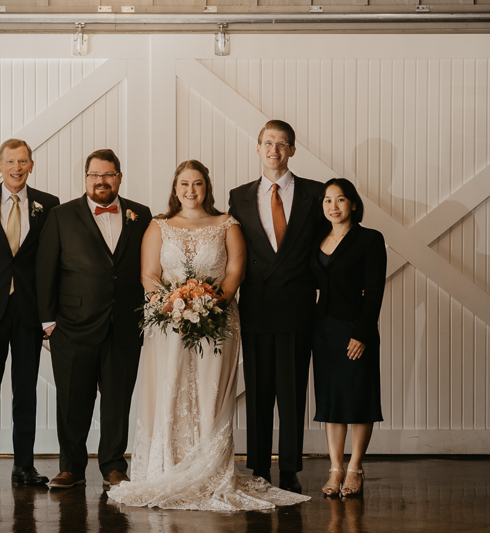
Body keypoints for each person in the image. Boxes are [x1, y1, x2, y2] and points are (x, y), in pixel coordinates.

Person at [107, 160, 311, 510]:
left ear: (207, 188)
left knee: (211, 393)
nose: (190, 190)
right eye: (184, 184)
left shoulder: (226, 224)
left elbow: (235, 273)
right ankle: (167, 465)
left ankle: (211, 469)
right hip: (167, 326)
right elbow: (148, 274)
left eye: (197, 184)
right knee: (170, 391)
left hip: (217, 322)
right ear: (175, 188)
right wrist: (171, 305)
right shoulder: (159, 226)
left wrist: (210, 303)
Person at [36, 148, 152, 489]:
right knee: (73, 401)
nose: (101, 181)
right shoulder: (61, 215)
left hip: (125, 325)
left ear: (119, 177)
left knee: (118, 400)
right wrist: (48, 323)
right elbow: (46, 271)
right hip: (71, 326)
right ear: (85, 178)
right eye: (94, 175)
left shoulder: (140, 214)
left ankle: (114, 466)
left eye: (108, 175)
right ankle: (70, 467)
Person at [228, 120, 324, 492]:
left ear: (293, 150)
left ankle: (290, 468)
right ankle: (258, 468)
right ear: (257, 148)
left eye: (282, 144)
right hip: (256, 306)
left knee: (292, 391)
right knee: (258, 391)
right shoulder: (239, 196)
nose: (274, 150)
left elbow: (321, 249)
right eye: (268, 143)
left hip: (298, 306)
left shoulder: (315, 194)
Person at [0, 139, 60, 490]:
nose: (16, 168)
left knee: (25, 391)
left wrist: (53, 313)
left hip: (30, 311)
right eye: (10, 162)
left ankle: (23, 467)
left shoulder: (48, 204)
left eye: (23, 162)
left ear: (31, 165)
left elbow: (55, 260)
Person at [311, 178, 386, 497]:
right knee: (331, 402)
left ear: (353, 204)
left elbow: (375, 292)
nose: (334, 206)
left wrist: (362, 333)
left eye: (340, 200)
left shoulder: (369, 239)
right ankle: (335, 468)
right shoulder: (316, 239)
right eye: (328, 200)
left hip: (356, 329)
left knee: (359, 399)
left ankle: (355, 468)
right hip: (323, 331)